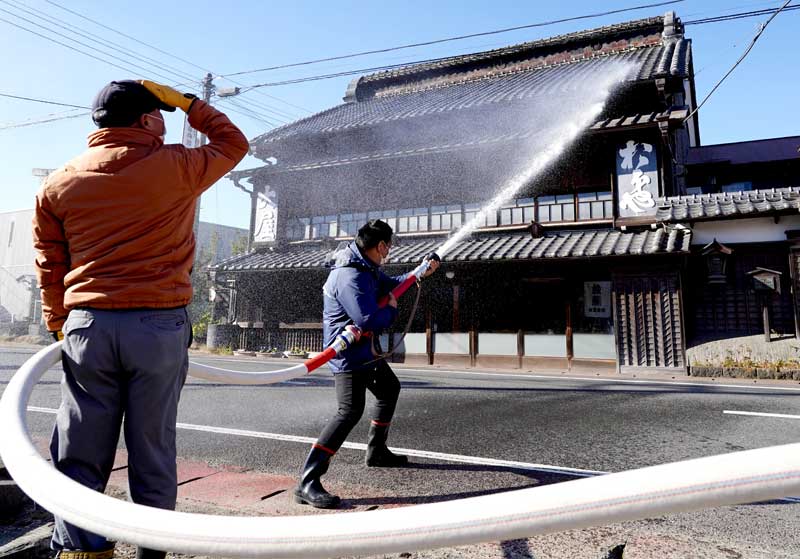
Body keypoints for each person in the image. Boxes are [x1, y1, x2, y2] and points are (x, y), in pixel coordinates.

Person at [32, 79, 248, 559]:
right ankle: (153, 550)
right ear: (149, 119)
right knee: (152, 447)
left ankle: (81, 550)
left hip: (87, 324)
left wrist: (57, 319)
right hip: (158, 324)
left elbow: (50, 260)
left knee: (80, 447)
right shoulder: (177, 165)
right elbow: (234, 143)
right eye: (162, 114)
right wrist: (189, 103)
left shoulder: (59, 181)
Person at [294, 219, 439, 509]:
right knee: (349, 411)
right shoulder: (350, 276)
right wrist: (392, 313)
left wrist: (420, 271)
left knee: (388, 388)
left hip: (365, 351)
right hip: (347, 354)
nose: (390, 251)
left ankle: (376, 451)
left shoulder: (365, 267)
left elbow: (393, 286)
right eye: (390, 246)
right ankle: (307, 481)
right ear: (382, 246)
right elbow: (368, 318)